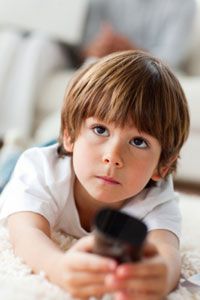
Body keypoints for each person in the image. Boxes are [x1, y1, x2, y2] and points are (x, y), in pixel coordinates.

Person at [0, 50, 190, 299]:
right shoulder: (41, 168)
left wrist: (161, 275)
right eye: (101, 129)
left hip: (79, 155)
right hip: (40, 161)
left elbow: (167, 251)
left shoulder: (157, 195)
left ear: (162, 167)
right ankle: (16, 146)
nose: (113, 156)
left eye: (138, 142)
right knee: (8, 171)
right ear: (68, 134)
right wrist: (58, 267)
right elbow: (25, 232)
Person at [80, 0, 196, 69]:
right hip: (100, 62)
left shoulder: (183, 4)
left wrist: (130, 51)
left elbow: (170, 59)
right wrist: (98, 47)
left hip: (149, 70)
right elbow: (85, 46)